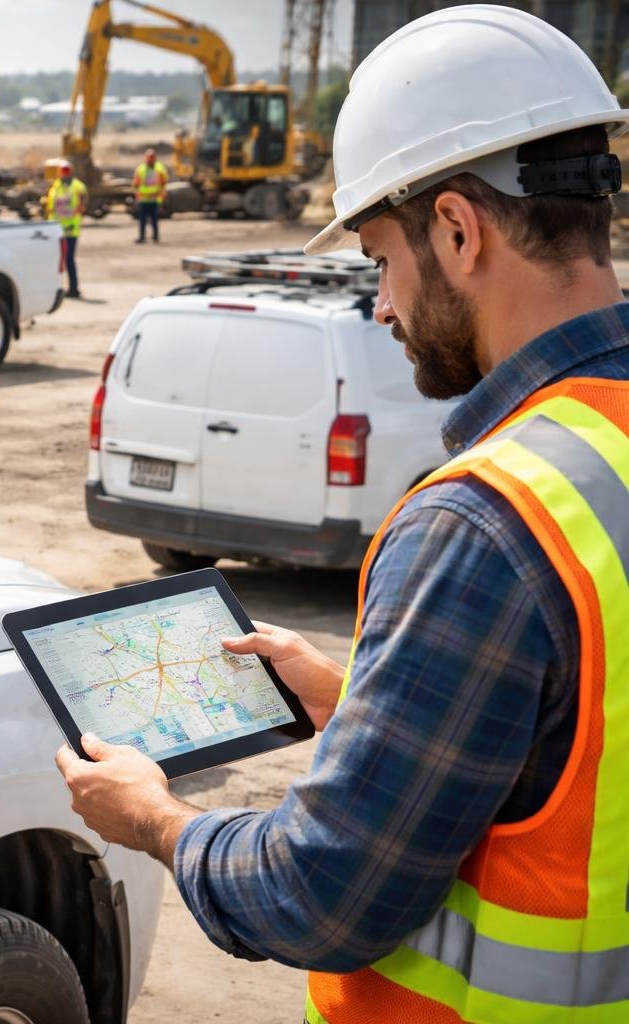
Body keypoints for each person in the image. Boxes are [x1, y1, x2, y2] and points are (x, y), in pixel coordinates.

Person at [56, 7, 629, 1021]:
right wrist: (365, 697)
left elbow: (321, 893)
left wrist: (156, 819)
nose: (381, 306)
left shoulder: (486, 525)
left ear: (458, 228)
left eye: (378, 259)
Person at [44, 160, 87, 298]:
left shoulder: (77, 186)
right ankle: (55, 288)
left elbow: (83, 203)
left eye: (67, 170)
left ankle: (73, 288)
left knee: (68, 259)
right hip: (56, 230)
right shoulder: (55, 187)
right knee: (55, 260)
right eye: (62, 171)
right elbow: (50, 207)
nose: (64, 173)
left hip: (70, 230)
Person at [132, 147, 167, 243]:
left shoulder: (160, 169)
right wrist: (137, 194)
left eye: (152, 157)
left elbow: (163, 183)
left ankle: (155, 237)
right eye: (148, 157)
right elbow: (135, 183)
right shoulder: (141, 169)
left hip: (154, 199)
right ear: (145, 158)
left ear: (155, 158)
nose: (150, 159)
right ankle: (142, 237)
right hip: (143, 199)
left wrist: (162, 195)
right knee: (142, 220)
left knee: (154, 220)